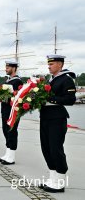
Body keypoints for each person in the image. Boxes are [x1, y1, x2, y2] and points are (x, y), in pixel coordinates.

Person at [39, 55, 76, 193]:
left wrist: (51, 99)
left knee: (56, 148)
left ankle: (60, 182)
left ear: (60, 64)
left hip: (57, 118)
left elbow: (70, 100)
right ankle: (52, 179)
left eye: (52, 64)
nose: (49, 66)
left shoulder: (66, 79)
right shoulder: (50, 80)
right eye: (48, 64)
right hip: (45, 117)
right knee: (46, 148)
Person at [0, 61, 23, 165]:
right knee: (5, 130)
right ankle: (7, 153)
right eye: (6, 67)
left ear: (14, 68)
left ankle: (11, 156)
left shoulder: (17, 81)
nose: (6, 69)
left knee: (11, 131)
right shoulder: (8, 80)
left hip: (13, 111)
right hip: (5, 109)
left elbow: (18, 97)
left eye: (8, 67)